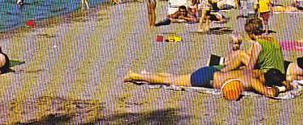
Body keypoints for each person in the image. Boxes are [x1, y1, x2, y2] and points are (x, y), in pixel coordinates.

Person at [123, 67, 291, 101]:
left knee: (173, 77)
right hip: (206, 79)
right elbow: (269, 93)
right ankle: (135, 75)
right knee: (170, 81)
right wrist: (282, 87)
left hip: (211, 72)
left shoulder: (256, 71)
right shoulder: (254, 80)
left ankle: (146, 74)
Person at [220, 18, 286, 83]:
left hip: (269, 75)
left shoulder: (258, 44)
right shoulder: (273, 40)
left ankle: (222, 71)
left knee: (241, 55)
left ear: (251, 33)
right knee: (243, 56)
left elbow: (250, 68)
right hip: (282, 73)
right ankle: (226, 69)